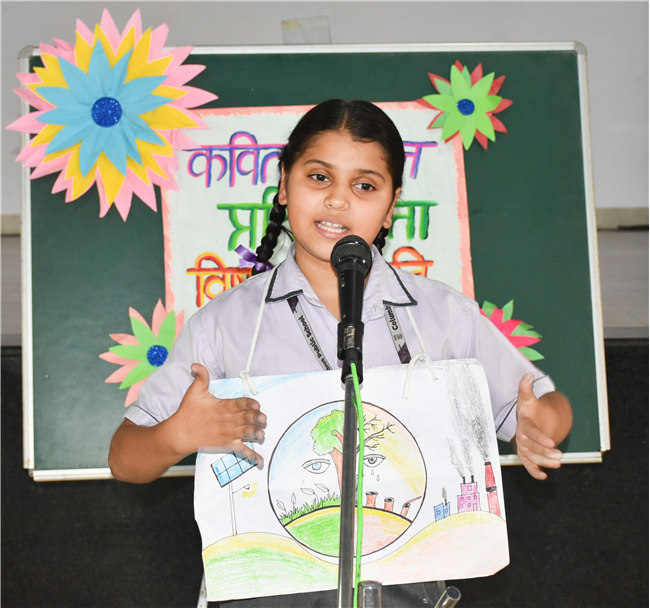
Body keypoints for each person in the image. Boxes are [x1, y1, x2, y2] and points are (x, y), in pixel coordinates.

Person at [109, 99, 573, 607]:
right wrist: (178, 433)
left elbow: (547, 408)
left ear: (392, 205)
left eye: (365, 186)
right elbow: (126, 458)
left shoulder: (444, 316)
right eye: (319, 178)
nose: (337, 201)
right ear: (284, 185)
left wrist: (537, 427)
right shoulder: (225, 325)